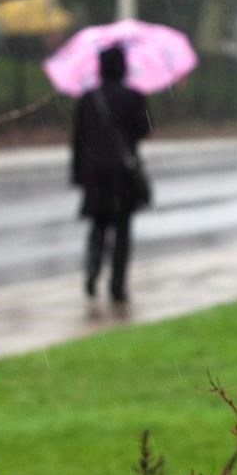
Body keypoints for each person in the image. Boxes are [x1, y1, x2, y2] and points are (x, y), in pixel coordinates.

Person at [71, 46, 152, 305]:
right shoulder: (133, 97)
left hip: (95, 175)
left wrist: (79, 175)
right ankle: (117, 285)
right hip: (123, 175)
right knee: (122, 231)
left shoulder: (88, 99)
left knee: (97, 227)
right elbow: (144, 130)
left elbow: (77, 140)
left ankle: (93, 271)